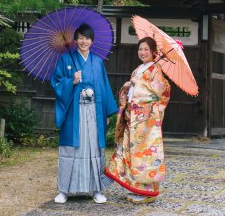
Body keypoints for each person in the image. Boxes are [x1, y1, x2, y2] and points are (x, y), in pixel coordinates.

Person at [51, 23, 118, 204]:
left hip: (94, 112)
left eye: (87, 38)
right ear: (75, 40)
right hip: (74, 111)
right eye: (80, 37)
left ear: (92, 41)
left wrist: (106, 113)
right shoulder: (66, 59)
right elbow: (56, 82)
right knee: (71, 149)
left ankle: (97, 189)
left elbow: (104, 88)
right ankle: (64, 190)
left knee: (93, 148)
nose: (84, 41)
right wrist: (71, 81)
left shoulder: (97, 62)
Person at [103, 36, 170, 204]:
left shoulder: (156, 70)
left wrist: (139, 84)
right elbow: (133, 89)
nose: (142, 52)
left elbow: (162, 91)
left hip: (145, 120)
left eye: (146, 49)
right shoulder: (139, 69)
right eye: (140, 49)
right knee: (130, 151)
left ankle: (146, 191)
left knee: (143, 154)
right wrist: (128, 87)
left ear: (154, 52)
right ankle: (137, 187)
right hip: (133, 117)